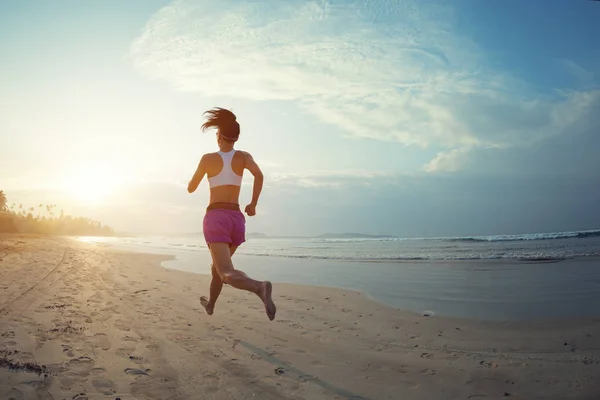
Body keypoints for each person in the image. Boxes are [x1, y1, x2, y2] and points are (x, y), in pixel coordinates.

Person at [187, 107, 276, 321]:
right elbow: (259, 175)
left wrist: (202, 174)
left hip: (216, 217)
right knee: (217, 268)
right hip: (237, 219)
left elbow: (191, 188)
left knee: (226, 272)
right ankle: (210, 305)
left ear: (218, 136)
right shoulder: (244, 157)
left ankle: (259, 287)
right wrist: (253, 203)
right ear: (236, 138)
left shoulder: (208, 159)